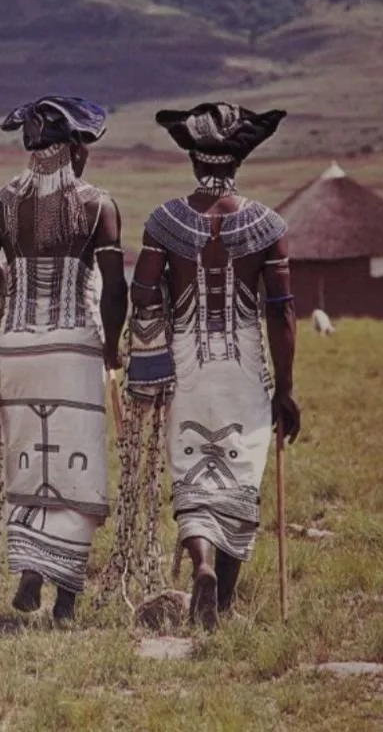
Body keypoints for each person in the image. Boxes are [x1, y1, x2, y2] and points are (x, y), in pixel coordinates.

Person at [126, 101, 300, 630]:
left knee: (193, 474)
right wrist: (286, 389)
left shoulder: (164, 222)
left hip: (184, 368)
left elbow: (142, 295)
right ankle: (220, 604)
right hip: (247, 369)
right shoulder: (267, 225)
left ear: (193, 160)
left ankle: (201, 566)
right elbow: (282, 311)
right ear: (239, 159)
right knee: (239, 478)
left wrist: (147, 366)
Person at [0, 96, 127, 623]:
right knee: (78, 464)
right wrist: (111, 349)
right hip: (74, 346)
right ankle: (66, 599)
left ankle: (32, 570)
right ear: (76, 149)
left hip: (17, 348)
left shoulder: (2, 204)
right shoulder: (98, 205)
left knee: (29, 456)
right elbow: (115, 289)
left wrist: (5, 284)